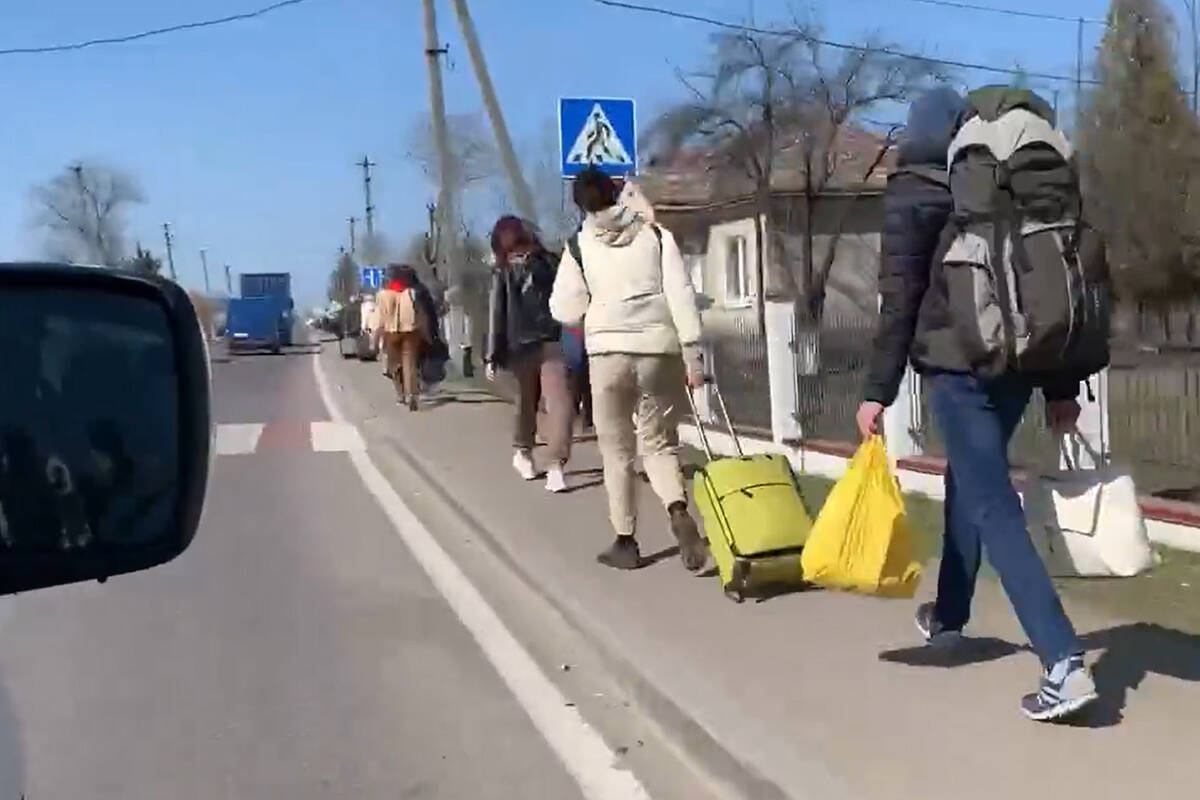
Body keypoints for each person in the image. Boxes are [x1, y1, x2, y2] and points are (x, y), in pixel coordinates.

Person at [856, 87, 1096, 722]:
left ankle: (1063, 662)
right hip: (1019, 362)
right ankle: (951, 616)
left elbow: (899, 298)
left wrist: (877, 390)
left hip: (957, 366)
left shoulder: (912, 190)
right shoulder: (1006, 186)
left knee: (990, 502)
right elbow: (1050, 283)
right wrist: (1062, 390)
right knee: (972, 479)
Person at [550, 167, 707, 573]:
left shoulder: (578, 246)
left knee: (617, 452)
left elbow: (565, 308)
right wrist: (694, 355)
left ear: (580, 204)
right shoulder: (656, 235)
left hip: (608, 356)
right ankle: (677, 509)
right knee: (658, 443)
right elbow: (681, 295)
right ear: (616, 191)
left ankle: (626, 541)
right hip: (659, 350)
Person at [484, 217, 574, 493]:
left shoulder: (548, 262)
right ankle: (523, 450)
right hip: (519, 344)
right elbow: (496, 312)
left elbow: (567, 293)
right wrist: (492, 354)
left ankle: (556, 464)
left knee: (558, 402)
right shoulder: (503, 272)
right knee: (527, 401)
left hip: (549, 339)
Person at [376, 265, 430, 411]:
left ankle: (401, 395)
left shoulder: (383, 295)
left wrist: (376, 339)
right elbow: (420, 314)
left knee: (395, 365)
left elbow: (379, 319)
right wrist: (426, 334)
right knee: (410, 364)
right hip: (411, 332)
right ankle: (412, 393)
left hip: (391, 333)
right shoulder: (411, 292)